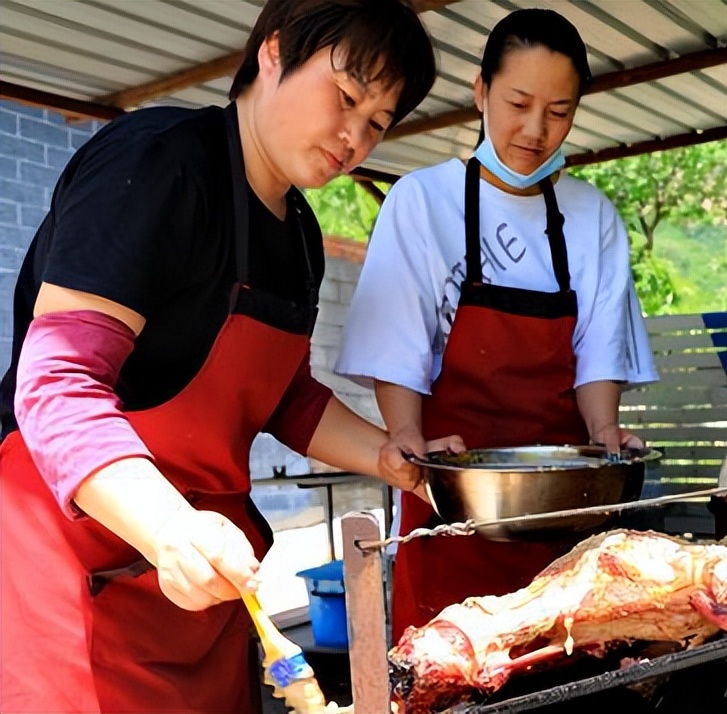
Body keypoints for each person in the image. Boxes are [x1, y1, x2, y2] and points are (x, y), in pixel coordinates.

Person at [0, 1, 458, 711]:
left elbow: (282, 397)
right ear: (271, 53)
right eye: (345, 97)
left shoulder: (301, 235)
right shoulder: (159, 163)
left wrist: (394, 457)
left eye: (377, 121)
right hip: (73, 561)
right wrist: (168, 528)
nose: (354, 136)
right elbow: (57, 380)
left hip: (204, 584)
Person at [335, 8, 658, 642]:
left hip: (569, 513)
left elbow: (599, 352)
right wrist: (405, 435)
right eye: (517, 102)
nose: (536, 129)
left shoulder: (593, 216)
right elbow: (398, 347)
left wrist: (604, 434)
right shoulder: (422, 202)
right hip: (451, 505)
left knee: (565, 663)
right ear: (480, 91)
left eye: (559, 111)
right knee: (449, 669)